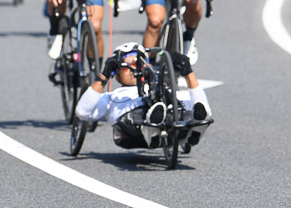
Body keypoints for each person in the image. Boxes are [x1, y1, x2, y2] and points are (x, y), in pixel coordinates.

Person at [75, 42, 212, 152]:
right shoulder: (111, 97)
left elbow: (202, 107)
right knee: (142, 115)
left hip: (168, 117)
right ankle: (151, 127)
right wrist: (104, 76)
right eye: (126, 66)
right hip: (131, 127)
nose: (133, 70)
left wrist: (188, 72)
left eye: (137, 64)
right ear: (116, 75)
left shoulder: (162, 88)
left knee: (197, 110)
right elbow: (82, 112)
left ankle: (196, 130)